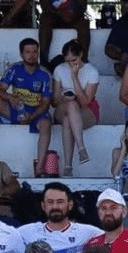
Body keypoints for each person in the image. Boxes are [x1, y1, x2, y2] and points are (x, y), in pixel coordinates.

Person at [0, 38, 53, 178]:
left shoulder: (45, 74)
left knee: (46, 125)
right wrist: (10, 98)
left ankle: (39, 168)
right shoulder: (14, 69)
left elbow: (45, 103)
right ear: (21, 54)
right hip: (17, 108)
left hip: (36, 112)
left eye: (34, 52)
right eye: (28, 52)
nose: (32, 55)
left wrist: (31, 117)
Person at [52, 40, 99, 176]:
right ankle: (81, 148)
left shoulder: (91, 71)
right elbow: (54, 101)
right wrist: (63, 97)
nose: (70, 64)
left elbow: (85, 102)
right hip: (63, 107)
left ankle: (68, 167)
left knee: (68, 119)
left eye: (73, 60)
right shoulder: (59, 69)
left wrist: (74, 76)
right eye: (67, 61)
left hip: (86, 111)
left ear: (81, 56)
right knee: (70, 106)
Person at [37, 0, 90, 67]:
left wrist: (71, 14)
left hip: (73, 15)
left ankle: (83, 60)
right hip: (54, 15)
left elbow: (83, 7)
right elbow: (44, 6)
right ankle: (42, 61)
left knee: (84, 23)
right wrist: (60, 13)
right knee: (45, 19)